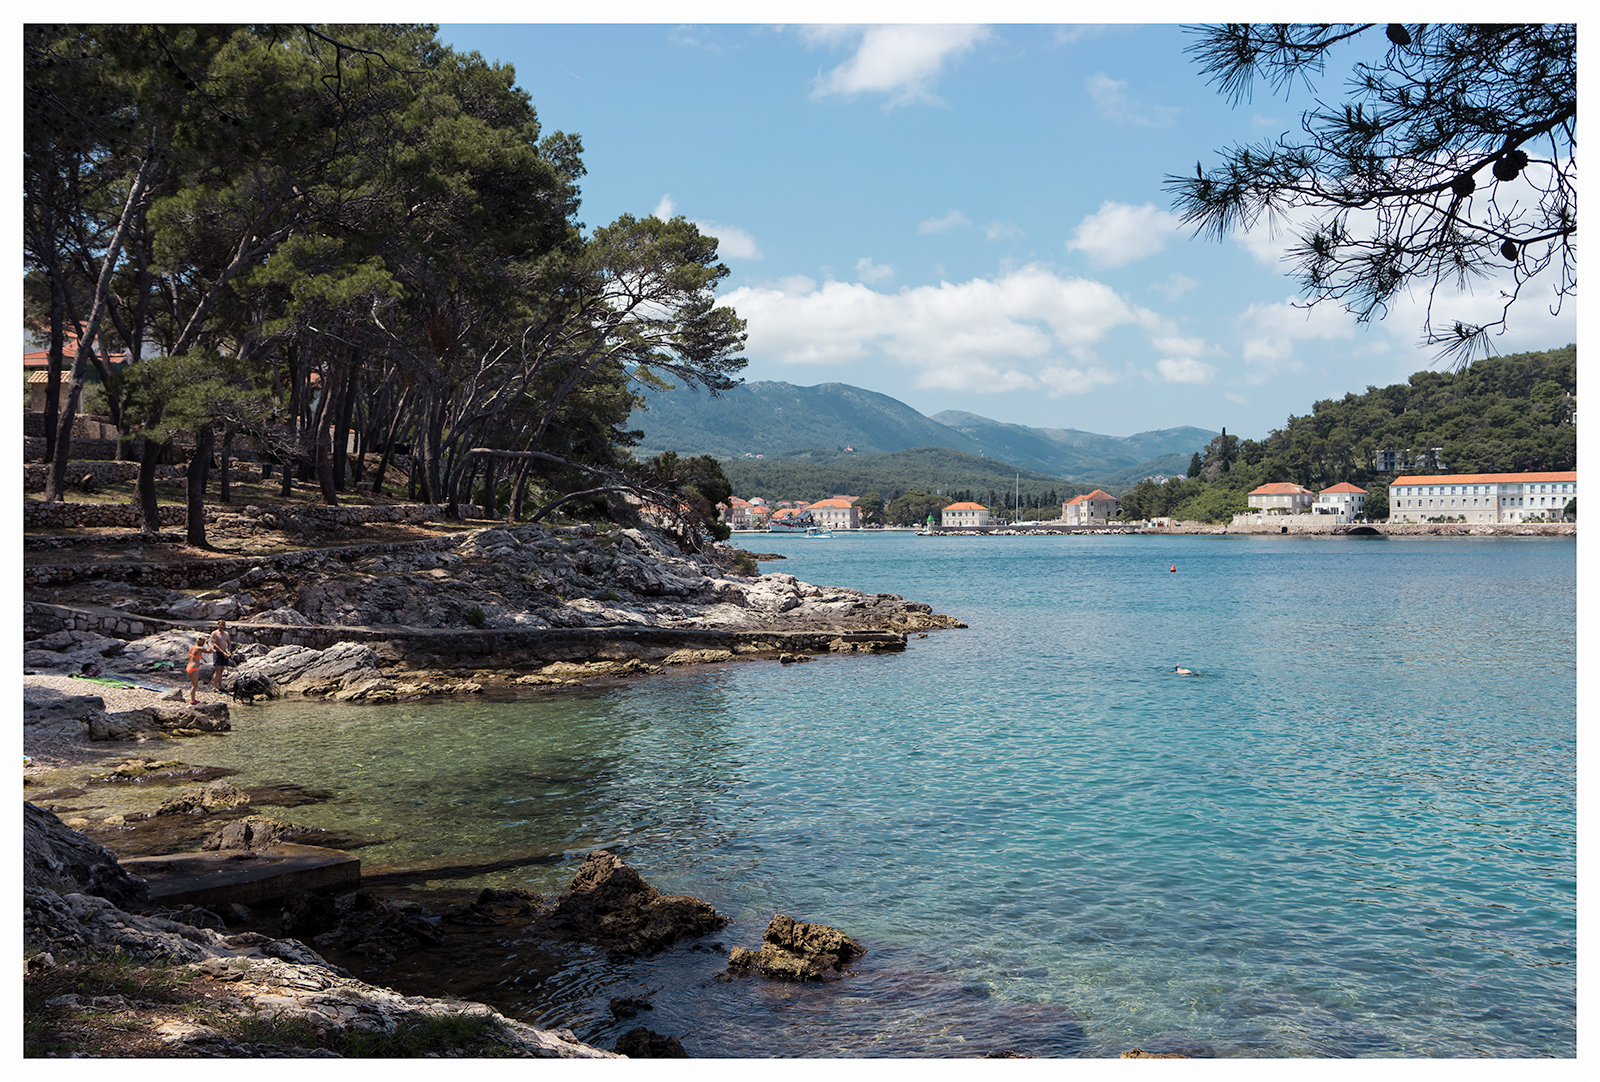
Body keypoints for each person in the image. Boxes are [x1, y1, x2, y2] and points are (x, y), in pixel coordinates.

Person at [210, 619, 233, 691]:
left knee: (222, 670)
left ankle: (220, 686)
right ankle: (215, 687)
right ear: (218, 625)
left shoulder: (226, 633)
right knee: (217, 670)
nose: (222, 626)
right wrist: (223, 652)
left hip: (224, 653)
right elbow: (214, 645)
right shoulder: (214, 633)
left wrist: (228, 651)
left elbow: (229, 643)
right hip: (217, 653)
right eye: (221, 625)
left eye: (223, 625)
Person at [187, 635, 207, 703]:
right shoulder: (199, 649)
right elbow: (210, 651)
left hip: (189, 667)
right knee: (194, 685)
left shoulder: (192, 648)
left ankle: (193, 699)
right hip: (193, 668)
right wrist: (208, 644)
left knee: (193, 684)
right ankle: (192, 700)